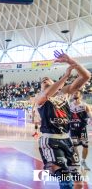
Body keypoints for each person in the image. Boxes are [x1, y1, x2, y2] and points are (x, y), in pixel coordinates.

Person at [35, 51, 91, 189]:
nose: (45, 80)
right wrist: (65, 76)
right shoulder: (40, 97)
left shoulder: (64, 92)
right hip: (50, 140)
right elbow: (48, 93)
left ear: (55, 83)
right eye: (43, 81)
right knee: (65, 178)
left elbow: (86, 76)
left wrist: (71, 61)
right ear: (40, 87)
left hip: (67, 139)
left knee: (77, 178)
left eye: (48, 79)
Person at [69, 90, 92, 171]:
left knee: (85, 146)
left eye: (76, 93)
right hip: (73, 129)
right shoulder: (69, 105)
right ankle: (76, 162)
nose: (74, 94)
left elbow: (90, 115)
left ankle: (83, 161)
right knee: (74, 146)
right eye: (74, 93)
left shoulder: (85, 105)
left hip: (82, 129)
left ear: (81, 96)